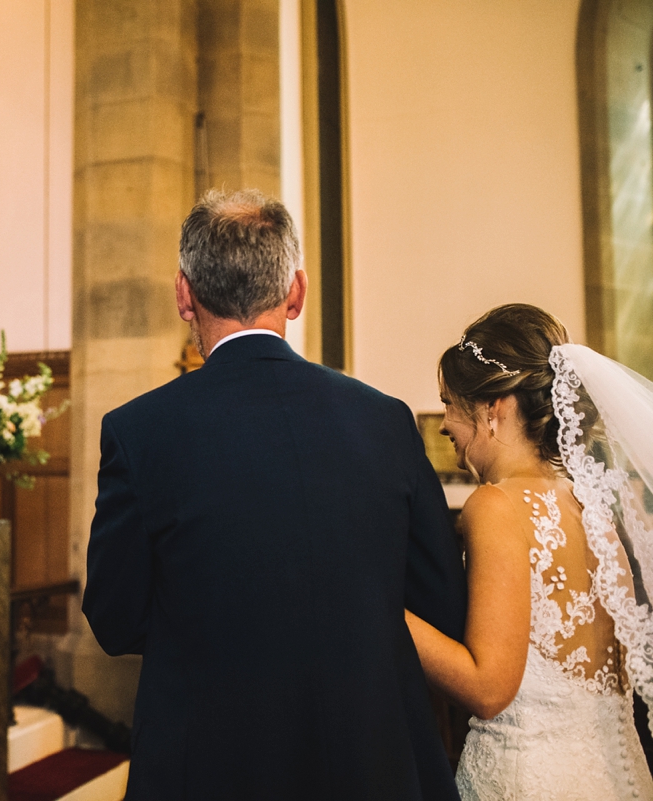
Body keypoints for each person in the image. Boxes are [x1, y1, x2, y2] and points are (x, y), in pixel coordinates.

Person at [81, 189, 468, 799]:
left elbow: (114, 617)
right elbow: (440, 601)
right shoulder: (385, 421)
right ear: (297, 292)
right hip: (368, 756)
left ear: (184, 293)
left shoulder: (137, 431)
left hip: (208, 759)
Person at [406, 303, 653, 799]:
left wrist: (382, 612)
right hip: (621, 777)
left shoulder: (495, 506)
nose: (444, 423)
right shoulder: (594, 504)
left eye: (451, 403)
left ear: (494, 409)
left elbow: (490, 689)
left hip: (528, 779)